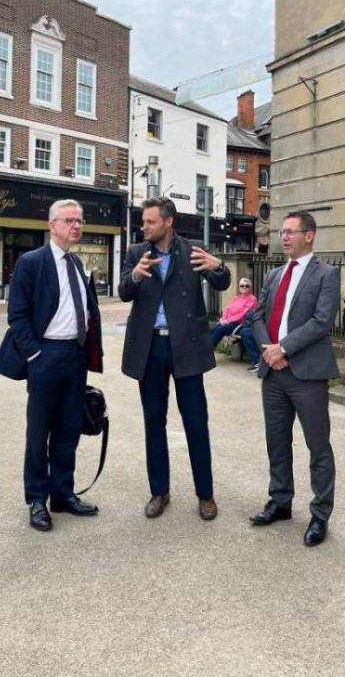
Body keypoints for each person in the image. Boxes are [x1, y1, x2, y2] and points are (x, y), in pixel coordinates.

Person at [0, 199, 103, 532]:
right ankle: (37, 499)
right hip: (46, 356)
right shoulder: (32, 262)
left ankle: (62, 494)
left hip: (75, 356)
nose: (76, 226)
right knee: (39, 432)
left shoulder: (78, 262)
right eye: (69, 220)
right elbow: (18, 316)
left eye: (80, 221)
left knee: (69, 430)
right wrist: (35, 356)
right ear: (52, 225)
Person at [119, 197, 231, 521]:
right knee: (154, 422)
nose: (145, 226)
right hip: (150, 348)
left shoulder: (193, 250)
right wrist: (136, 276)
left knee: (196, 422)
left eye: (150, 221)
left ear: (168, 222)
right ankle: (159, 491)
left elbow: (221, 282)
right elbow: (123, 291)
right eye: (144, 222)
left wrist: (219, 266)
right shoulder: (137, 253)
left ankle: (205, 495)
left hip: (187, 347)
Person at [249, 211, 340, 547]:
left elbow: (321, 322)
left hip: (307, 373)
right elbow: (256, 313)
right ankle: (281, 501)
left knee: (318, 446)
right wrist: (269, 350)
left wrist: (283, 348)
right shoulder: (274, 274)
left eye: (290, 232)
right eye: (281, 232)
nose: (283, 237)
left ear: (309, 235)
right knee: (277, 441)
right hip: (273, 373)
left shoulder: (326, 274)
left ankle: (319, 514)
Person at [210, 277, 259, 360]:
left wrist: (227, 321)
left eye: (246, 286)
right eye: (242, 286)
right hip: (228, 322)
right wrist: (223, 319)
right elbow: (227, 309)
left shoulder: (252, 299)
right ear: (239, 287)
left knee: (220, 330)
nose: (244, 288)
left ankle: (207, 354)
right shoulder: (236, 298)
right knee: (212, 330)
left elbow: (243, 314)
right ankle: (204, 351)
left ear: (250, 287)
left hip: (240, 324)